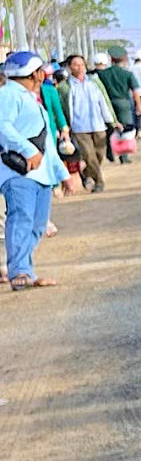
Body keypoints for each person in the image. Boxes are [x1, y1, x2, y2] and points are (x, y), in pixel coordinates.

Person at [2, 51, 62, 289]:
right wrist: (27, 151)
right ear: (35, 74)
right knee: (21, 219)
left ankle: (26, 269)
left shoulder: (29, 97)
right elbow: (2, 126)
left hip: (41, 174)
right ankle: (19, 272)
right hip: (19, 173)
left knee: (37, 225)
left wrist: (59, 173)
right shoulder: (8, 94)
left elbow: (46, 142)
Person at [56, 54, 117, 192]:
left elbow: (105, 101)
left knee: (100, 155)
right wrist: (64, 127)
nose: (79, 67)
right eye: (76, 65)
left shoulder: (94, 82)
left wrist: (112, 120)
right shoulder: (64, 87)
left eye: (82, 64)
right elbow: (61, 109)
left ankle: (86, 173)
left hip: (98, 124)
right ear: (70, 67)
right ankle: (99, 182)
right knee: (89, 156)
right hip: (79, 127)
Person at [97, 51, 139, 162]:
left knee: (109, 127)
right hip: (123, 103)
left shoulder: (103, 74)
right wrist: (138, 105)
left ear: (111, 60)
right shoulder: (127, 74)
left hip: (107, 103)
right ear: (124, 60)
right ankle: (123, 155)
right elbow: (135, 91)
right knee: (124, 128)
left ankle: (109, 152)